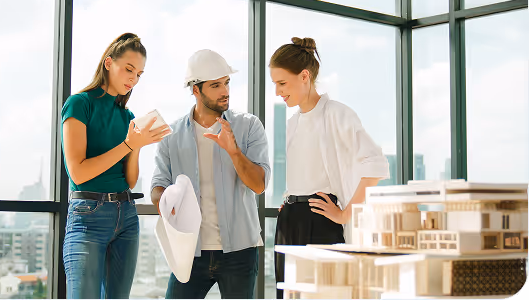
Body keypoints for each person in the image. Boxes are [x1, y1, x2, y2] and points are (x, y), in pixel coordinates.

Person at [269, 37, 390, 299]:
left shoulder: (338, 114)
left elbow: (376, 165)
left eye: (281, 83)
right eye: (274, 84)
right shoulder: (293, 123)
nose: (277, 91)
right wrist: (292, 198)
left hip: (322, 221)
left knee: (325, 294)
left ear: (304, 76)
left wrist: (346, 214)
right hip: (290, 221)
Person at [151, 49, 271, 299]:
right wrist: (169, 200)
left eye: (226, 83)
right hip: (190, 253)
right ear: (196, 90)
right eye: (215, 85)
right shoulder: (170, 135)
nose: (225, 91)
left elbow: (259, 185)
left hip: (240, 250)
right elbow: (157, 188)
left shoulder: (249, 126)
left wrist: (234, 152)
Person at [61, 33, 170, 299]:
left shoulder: (129, 117)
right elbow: (78, 172)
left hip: (127, 216)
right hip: (88, 216)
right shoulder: (79, 104)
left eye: (139, 74)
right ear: (109, 63)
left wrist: (138, 145)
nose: (133, 79)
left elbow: (130, 181)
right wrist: (128, 145)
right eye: (129, 69)